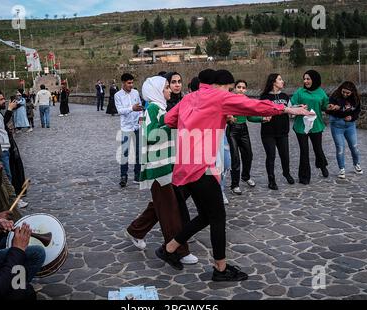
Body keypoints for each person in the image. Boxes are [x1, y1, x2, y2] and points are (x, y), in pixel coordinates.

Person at [158, 69, 314, 280]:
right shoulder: (219, 96)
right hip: (200, 167)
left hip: (185, 167)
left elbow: (169, 119)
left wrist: (199, 122)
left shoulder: (189, 98)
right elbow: (253, 106)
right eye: (231, 88)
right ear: (221, 85)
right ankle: (220, 269)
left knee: (206, 215)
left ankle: (169, 249)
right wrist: (286, 109)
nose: (232, 92)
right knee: (218, 217)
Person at [126, 76, 198, 268]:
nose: (169, 90)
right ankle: (178, 251)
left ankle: (136, 229)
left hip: (168, 164)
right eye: (166, 87)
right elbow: (150, 136)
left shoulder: (160, 108)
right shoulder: (152, 109)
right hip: (158, 167)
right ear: (157, 91)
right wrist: (173, 126)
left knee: (162, 205)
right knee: (169, 211)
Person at [290, 70, 329, 185]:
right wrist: (298, 106)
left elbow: (325, 106)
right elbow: (291, 106)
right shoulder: (299, 92)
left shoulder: (321, 93)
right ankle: (304, 177)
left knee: (318, 148)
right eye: (304, 79)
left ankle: (322, 165)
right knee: (304, 151)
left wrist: (330, 106)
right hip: (301, 126)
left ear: (314, 79)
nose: (305, 81)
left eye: (308, 79)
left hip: (316, 125)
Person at [259, 74, 295, 190]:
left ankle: (286, 173)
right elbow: (259, 113)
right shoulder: (264, 97)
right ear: (273, 82)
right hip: (268, 132)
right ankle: (271, 180)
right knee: (271, 156)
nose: (282, 81)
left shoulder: (285, 96)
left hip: (283, 132)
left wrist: (299, 108)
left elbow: (291, 112)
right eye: (280, 79)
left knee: (285, 155)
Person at [225, 80, 262, 195]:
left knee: (248, 155)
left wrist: (262, 119)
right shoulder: (230, 100)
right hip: (232, 130)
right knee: (235, 158)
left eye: (243, 87)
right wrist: (228, 117)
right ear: (235, 88)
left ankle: (245, 177)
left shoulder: (246, 100)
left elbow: (250, 117)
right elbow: (223, 113)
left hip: (244, 129)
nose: (241, 89)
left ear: (246, 89)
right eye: (239, 87)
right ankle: (234, 185)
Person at [326, 81, 363, 179]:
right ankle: (341, 169)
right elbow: (328, 110)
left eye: (348, 93)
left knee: (354, 147)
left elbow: (357, 111)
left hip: (350, 126)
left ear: (352, 92)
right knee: (340, 148)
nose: (345, 94)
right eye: (343, 92)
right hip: (337, 125)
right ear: (340, 89)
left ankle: (356, 164)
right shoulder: (335, 96)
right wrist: (333, 108)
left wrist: (352, 117)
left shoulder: (355, 98)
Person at [115, 73, 142, 187]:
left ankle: (137, 175)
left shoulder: (135, 93)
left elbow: (140, 107)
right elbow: (120, 110)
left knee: (138, 153)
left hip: (136, 126)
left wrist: (141, 119)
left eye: (132, 83)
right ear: (123, 83)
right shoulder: (118, 95)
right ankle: (123, 176)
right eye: (129, 83)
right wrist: (132, 108)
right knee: (125, 153)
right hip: (126, 127)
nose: (131, 85)